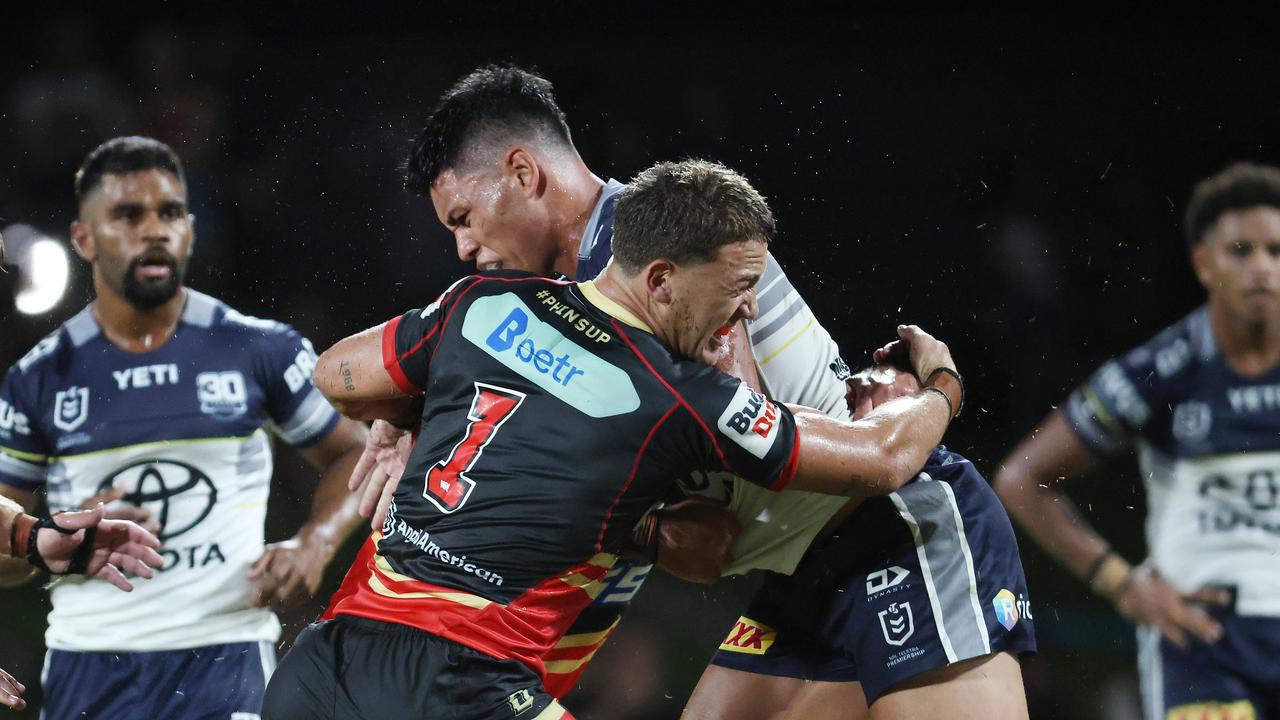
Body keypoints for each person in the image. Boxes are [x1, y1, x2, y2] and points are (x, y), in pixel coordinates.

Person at [353, 65, 1034, 718]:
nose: (464, 247)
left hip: (899, 527)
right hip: (806, 565)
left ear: (524, 173)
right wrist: (410, 422)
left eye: (464, 217)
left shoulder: (661, 254)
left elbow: (726, 492)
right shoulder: (579, 300)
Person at [262, 159, 964, 720]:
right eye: (737, 287)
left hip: (324, 667)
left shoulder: (482, 303)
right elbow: (882, 459)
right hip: (464, 685)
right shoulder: (684, 396)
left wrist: (418, 413)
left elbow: (335, 374)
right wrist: (941, 385)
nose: (746, 309)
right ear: (662, 281)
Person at [0, 136, 369, 719]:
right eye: (127, 214)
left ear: (191, 230)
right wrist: (52, 540)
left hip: (226, 662)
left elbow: (357, 455)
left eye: (170, 212)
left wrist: (313, 543)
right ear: (84, 239)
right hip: (89, 666)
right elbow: (7, 551)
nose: (154, 230)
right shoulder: (38, 378)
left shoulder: (259, 350)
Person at [995, 162, 1280, 720]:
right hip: (1202, 646)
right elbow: (1021, 478)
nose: (1261, 269)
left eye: (1276, 250)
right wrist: (1124, 586)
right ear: (1203, 263)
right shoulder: (1162, 369)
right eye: (1240, 251)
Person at [0, 493, 165, 712]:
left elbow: (14, 555)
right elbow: (10, 566)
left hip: (215, 637)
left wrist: (28, 537)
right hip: (87, 649)